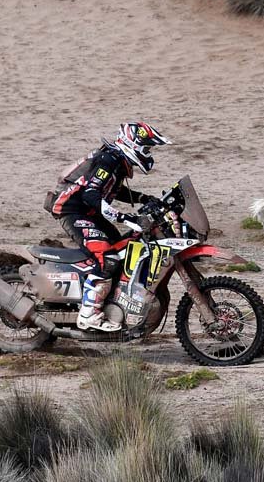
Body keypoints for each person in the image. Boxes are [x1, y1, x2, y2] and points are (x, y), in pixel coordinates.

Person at [46, 122, 172, 331]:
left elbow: (113, 189)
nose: (148, 153)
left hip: (87, 211)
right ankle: (88, 316)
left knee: (121, 249)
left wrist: (144, 198)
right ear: (135, 144)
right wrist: (124, 218)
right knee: (107, 259)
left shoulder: (116, 160)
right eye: (147, 148)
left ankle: (110, 304)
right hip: (72, 211)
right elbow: (91, 194)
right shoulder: (108, 160)